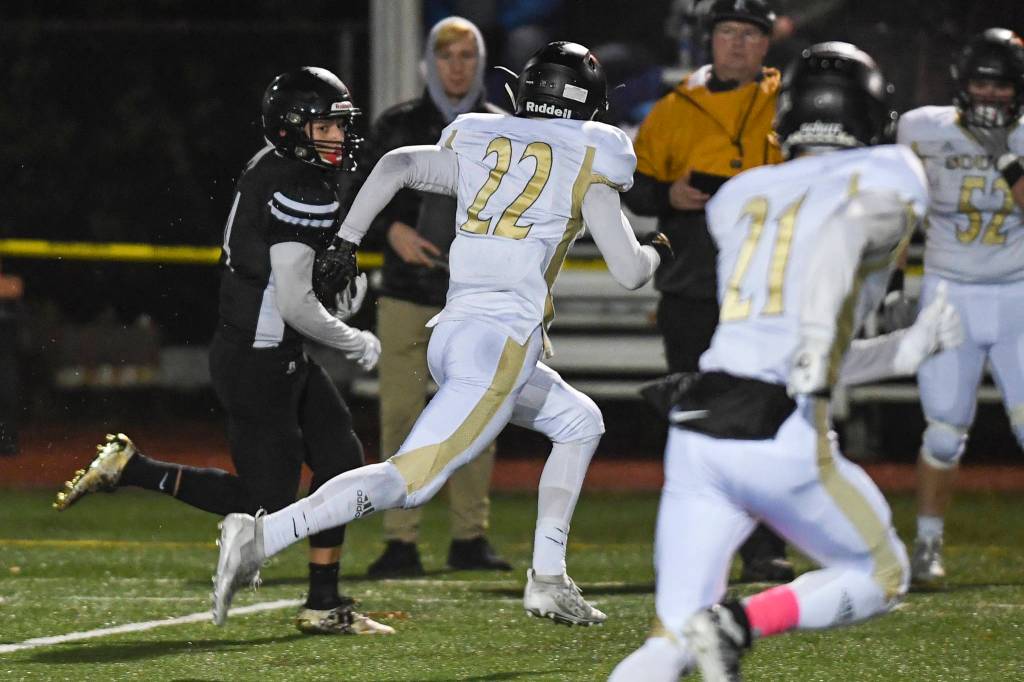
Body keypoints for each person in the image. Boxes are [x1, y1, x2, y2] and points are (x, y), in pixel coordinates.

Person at [210, 41, 671, 629]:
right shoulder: (592, 158)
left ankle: (550, 578)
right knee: (410, 481)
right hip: (501, 342)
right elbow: (630, 272)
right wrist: (657, 250)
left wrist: (347, 240)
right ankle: (260, 534)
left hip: (454, 331)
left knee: (580, 421)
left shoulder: (482, 138)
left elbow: (400, 163)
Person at [610, 42, 963, 681]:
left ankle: (705, 631)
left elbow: (794, 348)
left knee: (668, 640)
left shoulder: (738, 197)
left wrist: (901, 352)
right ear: (872, 113)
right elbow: (850, 226)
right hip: (781, 430)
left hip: (702, 422)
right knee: (883, 574)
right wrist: (843, 321)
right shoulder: (890, 171)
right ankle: (740, 623)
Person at [53, 67, 393, 636]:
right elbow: (294, 302)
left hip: (271, 351)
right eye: (326, 125)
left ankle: (324, 602)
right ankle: (134, 468)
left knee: (340, 461)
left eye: (340, 124)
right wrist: (351, 337)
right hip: (260, 359)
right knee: (269, 502)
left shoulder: (275, 162)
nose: (337, 136)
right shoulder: (297, 184)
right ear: (292, 128)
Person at [622, 0, 793, 583]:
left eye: (749, 34)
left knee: (766, 419)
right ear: (710, 41)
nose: (738, 44)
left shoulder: (790, 105)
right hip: (693, 284)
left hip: (763, 287)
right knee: (697, 421)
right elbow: (636, 189)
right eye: (727, 33)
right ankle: (703, 545)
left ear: (766, 44)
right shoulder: (674, 109)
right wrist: (670, 195)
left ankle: (765, 546)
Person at [362, 16, 510, 578]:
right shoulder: (399, 124)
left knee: (476, 419)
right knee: (400, 416)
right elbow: (356, 200)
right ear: (430, 61)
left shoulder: (506, 129)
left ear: (480, 62)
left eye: (467, 56)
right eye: (446, 56)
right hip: (406, 294)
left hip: (476, 300)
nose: (456, 66)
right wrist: (392, 232)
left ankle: (470, 537)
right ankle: (401, 540)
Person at [897, 28, 1024, 585]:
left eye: (1002, 86)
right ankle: (927, 545)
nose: (991, 96)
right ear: (962, 84)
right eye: (982, 83)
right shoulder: (922, 128)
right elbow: (901, 207)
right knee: (944, 431)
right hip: (949, 291)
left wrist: (1005, 159)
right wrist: (897, 283)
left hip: (1019, 291)